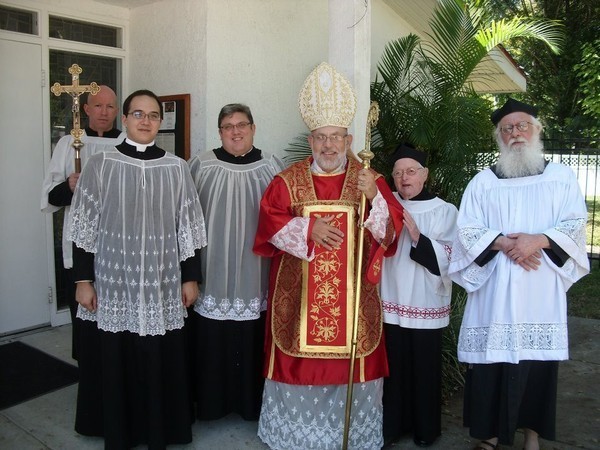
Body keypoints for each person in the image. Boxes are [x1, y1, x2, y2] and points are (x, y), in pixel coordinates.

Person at [253, 62, 403, 449]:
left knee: (351, 365)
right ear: (310, 140)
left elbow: (390, 231)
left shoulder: (369, 179)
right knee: (300, 361)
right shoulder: (287, 181)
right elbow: (269, 223)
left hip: (353, 302)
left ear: (350, 139)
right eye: (321, 137)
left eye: (336, 137)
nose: (329, 146)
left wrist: (374, 197)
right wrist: (308, 228)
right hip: (300, 299)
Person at [67, 89, 207, 449]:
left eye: (153, 115)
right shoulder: (102, 164)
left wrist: (190, 277)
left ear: (160, 122)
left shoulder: (176, 167)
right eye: (138, 114)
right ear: (125, 119)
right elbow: (83, 227)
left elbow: (188, 229)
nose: (146, 121)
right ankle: (120, 430)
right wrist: (84, 281)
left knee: (161, 359)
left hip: (162, 283)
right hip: (115, 283)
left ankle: (162, 429)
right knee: (117, 358)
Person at [448, 98, 590, 450]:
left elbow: (574, 223)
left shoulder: (560, 178)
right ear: (499, 137)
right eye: (507, 129)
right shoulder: (483, 183)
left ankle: (532, 436)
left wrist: (537, 240)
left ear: (537, 130)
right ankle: (490, 435)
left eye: (522, 125)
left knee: (537, 363)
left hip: (539, 286)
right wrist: (506, 245)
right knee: (490, 364)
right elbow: (465, 230)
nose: (516, 133)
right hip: (496, 285)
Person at [187, 103, 285, 421]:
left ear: (254, 128)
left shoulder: (272, 166)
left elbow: (287, 218)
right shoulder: (200, 165)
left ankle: (250, 405)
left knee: (251, 339)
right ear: (220, 132)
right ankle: (211, 404)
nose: (236, 131)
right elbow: (184, 217)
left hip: (256, 272)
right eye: (228, 126)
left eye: (242, 124)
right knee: (212, 340)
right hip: (211, 272)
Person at [380, 143, 458, 448]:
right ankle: (392, 428)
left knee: (423, 368)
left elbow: (452, 257)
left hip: (425, 300)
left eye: (411, 171)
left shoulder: (444, 210)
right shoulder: (385, 206)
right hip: (391, 298)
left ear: (424, 175)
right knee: (393, 369)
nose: (404, 178)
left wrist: (416, 235)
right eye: (398, 173)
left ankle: (426, 431)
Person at [41, 85, 125, 361]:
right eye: (98, 106)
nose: (104, 112)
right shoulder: (69, 144)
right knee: (86, 311)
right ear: (86, 109)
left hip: (119, 244)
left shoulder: (125, 142)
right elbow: (50, 196)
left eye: (110, 106)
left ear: (117, 111)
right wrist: (69, 185)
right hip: (80, 242)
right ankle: (89, 368)